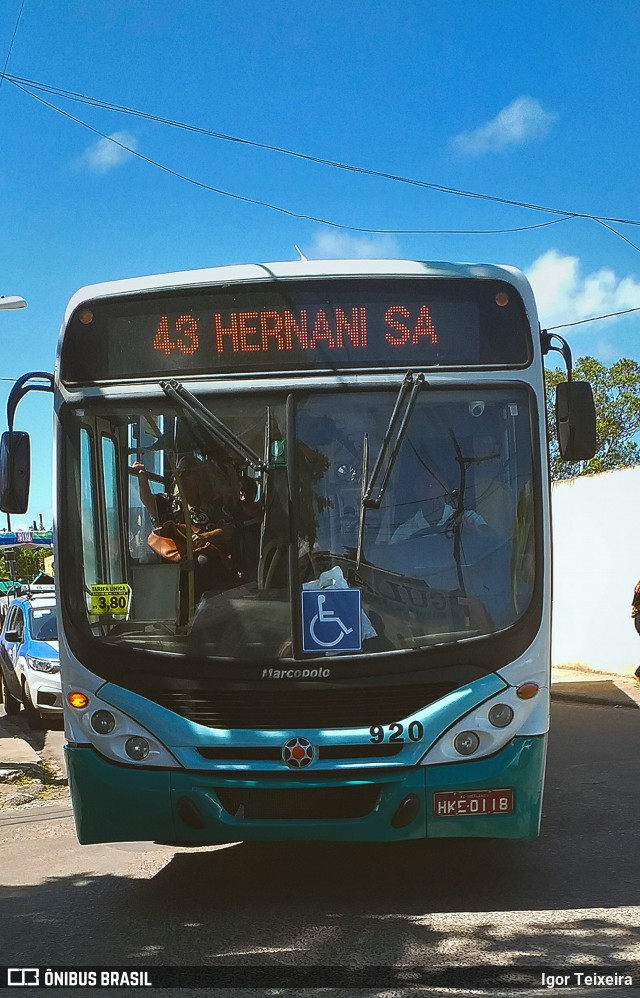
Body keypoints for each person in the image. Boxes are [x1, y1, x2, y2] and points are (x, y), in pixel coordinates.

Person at [131, 455, 239, 597]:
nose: (181, 476)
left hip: (206, 560)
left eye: (188, 472)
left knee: (203, 563)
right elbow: (149, 501)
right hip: (174, 558)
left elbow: (228, 530)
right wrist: (142, 478)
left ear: (201, 476)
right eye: (179, 472)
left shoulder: (215, 505)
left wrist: (205, 537)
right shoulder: (169, 502)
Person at [390, 469, 488, 544]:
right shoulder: (404, 531)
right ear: (416, 492)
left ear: (445, 490)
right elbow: (390, 559)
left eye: (432, 485)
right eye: (424, 485)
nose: (428, 492)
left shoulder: (467, 518)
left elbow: (494, 540)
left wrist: (476, 533)